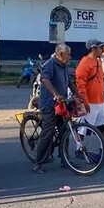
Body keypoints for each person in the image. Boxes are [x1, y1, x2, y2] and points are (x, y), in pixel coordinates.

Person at [33, 44, 83, 174]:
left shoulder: (63, 66)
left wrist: (77, 94)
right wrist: (55, 94)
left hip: (61, 104)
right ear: (60, 54)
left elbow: (69, 82)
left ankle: (64, 159)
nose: (70, 57)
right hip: (49, 103)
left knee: (65, 131)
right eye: (68, 54)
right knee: (48, 133)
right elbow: (44, 79)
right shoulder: (50, 64)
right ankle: (39, 163)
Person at [75, 39, 104, 140]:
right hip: (90, 102)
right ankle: (79, 149)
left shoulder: (98, 61)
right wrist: (85, 102)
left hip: (100, 101)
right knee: (83, 128)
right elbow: (80, 85)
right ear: (93, 49)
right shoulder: (84, 63)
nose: (102, 50)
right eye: (100, 48)